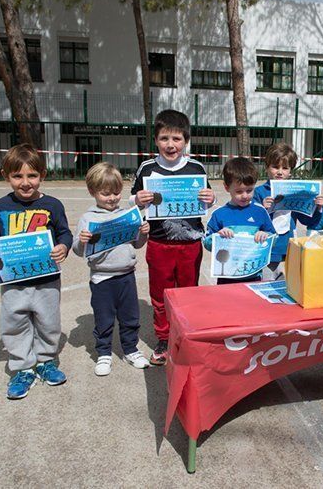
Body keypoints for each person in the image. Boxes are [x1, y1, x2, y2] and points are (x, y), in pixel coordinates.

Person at [0, 144, 72, 399]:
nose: (26, 182)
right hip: (13, 282)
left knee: (48, 323)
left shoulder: (53, 204)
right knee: (14, 323)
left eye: (32, 175)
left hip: (47, 279)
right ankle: (23, 367)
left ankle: (45, 361)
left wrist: (64, 246)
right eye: (17, 176)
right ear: (6, 176)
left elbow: (64, 232)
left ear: (43, 175)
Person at [130, 109, 216, 366]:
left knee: (189, 293)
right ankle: (164, 338)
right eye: (165, 138)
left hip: (190, 243)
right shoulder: (147, 168)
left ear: (186, 140)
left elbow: (207, 199)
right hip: (159, 244)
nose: (171, 144)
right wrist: (137, 200)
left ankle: (188, 336)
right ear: (156, 140)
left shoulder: (196, 167)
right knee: (161, 295)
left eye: (177, 139)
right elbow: (132, 201)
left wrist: (211, 199)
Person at [72, 162, 151, 376]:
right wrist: (81, 240)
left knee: (130, 317)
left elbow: (137, 244)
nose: (112, 198)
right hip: (102, 279)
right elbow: (78, 251)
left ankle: (130, 349)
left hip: (126, 276)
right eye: (106, 194)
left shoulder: (126, 214)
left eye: (116, 192)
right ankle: (104, 353)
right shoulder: (88, 219)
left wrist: (143, 232)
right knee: (104, 319)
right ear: (93, 192)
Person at [253, 142, 323, 280]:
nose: (280, 172)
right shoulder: (259, 192)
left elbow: (307, 220)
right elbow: (250, 221)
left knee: (287, 288)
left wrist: (317, 207)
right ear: (267, 167)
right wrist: (262, 209)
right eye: (275, 167)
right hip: (266, 249)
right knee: (266, 286)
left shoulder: (296, 191)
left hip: (288, 248)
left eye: (285, 168)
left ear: (291, 170)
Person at [204, 157, 275, 284]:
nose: (245, 195)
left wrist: (266, 236)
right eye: (239, 191)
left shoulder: (260, 211)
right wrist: (218, 236)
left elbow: (274, 237)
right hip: (226, 278)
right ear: (226, 187)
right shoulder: (219, 214)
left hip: (254, 277)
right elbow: (207, 242)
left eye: (249, 190)